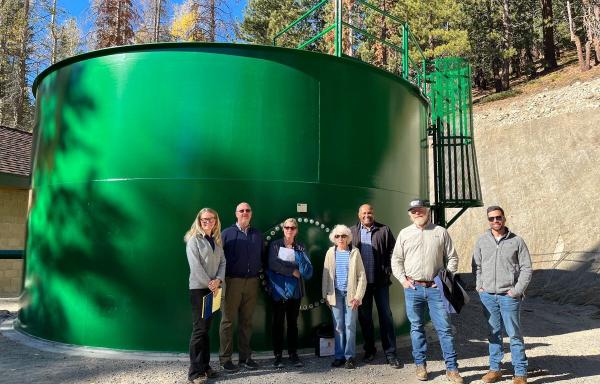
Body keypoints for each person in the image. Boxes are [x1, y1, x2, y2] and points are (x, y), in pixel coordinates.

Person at [391, 199, 464, 383]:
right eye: (414, 211)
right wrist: (403, 280)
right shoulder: (404, 234)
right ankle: (420, 365)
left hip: (435, 290)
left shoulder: (440, 232)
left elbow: (453, 257)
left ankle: (452, 369)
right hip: (413, 289)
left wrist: (444, 279)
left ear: (427, 211)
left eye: (420, 210)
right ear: (410, 214)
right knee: (416, 328)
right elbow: (396, 260)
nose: (417, 213)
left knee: (445, 329)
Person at [472, 206, 532, 384]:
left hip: (509, 296)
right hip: (488, 296)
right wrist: (479, 286)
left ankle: (520, 373)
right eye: (491, 218)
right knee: (493, 333)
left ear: (504, 218)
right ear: (488, 220)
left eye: (498, 218)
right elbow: (477, 266)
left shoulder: (517, 241)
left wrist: (517, 290)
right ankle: (495, 369)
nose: (495, 221)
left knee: (514, 334)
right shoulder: (482, 241)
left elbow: (526, 268)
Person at [350, 204, 402, 368]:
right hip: (361, 285)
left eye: (370, 212)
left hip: (380, 282)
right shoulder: (351, 232)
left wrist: (388, 269)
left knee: (386, 316)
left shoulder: (384, 230)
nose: (367, 215)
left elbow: (394, 251)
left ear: (374, 213)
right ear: (359, 215)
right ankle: (370, 350)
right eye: (364, 213)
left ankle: (391, 353)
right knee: (365, 318)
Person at [219, 202, 264, 371]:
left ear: (251, 213)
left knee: (246, 321)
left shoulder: (257, 234)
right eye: (241, 210)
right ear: (236, 213)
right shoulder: (227, 233)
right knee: (228, 321)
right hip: (232, 282)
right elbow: (219, 259)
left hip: (252, 282)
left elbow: (262, 256)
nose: (245, 213)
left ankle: (245, 358)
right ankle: (225, 359)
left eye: (247, 210)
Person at [184, 208, 226, 384]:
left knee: (206, 329)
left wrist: (218, 281)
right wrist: (211, 284)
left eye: (211, 219)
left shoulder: (216, 240)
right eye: (203, 219)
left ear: (216, 221)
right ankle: (195, 372)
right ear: (199, 221)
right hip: (200, 290)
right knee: (199, 330)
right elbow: (196, 267)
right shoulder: (194, 241)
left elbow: (223, 262)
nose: (207, 222)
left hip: (214, 290)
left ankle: (205, 366)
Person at [267, 218, 313, 368]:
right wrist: (292, 270)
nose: (289, 230)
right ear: (283, 229)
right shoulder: (275, 245)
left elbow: (306, 271)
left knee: (293, 324)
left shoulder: (301, 247)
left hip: (295, 293)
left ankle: (293, 354)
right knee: (278, 324)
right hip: (279, 292)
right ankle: (278, 356)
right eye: (287, 227)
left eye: (292, 228)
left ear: (296, 230)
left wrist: (297, 260)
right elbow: (273, 264)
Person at [322, 224, 367, 370]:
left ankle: (350, 357)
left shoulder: (354, 252)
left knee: (349, 325)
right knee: (338, 327)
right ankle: (339, 356)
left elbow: (361, 276)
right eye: (337, 236)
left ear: (348, 238)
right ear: (333, 239)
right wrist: (326, 295)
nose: (340, 238)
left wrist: (358, 297)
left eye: (343, 236)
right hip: (335, 294)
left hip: (351, 295)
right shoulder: (330, 252)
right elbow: (326, 275)